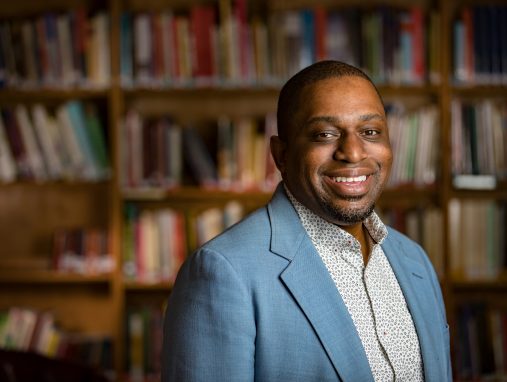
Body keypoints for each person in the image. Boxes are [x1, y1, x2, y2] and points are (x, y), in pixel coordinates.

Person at [162, 60, 452, 382]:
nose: (353, 153)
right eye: (324, 134)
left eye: (370, 132)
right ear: (281, 155)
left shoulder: (415, 261)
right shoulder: (223, 272)